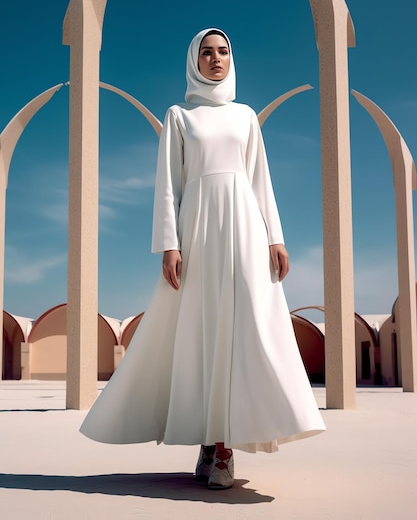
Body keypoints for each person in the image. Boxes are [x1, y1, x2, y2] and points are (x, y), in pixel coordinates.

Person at [80, 28, 326, 489]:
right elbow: (169, 184)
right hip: (197, 231)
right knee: (201, 330)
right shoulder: (179, 116)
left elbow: (260, 181)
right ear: (194, 61)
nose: (216, 59)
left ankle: (225, 445)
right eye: (207, 52)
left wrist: (276, 237)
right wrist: (169, 245)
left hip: (246, 229)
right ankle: (211, 443)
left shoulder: (246, 116)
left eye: (224, 51)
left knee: (245, 326)